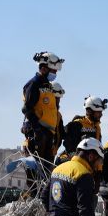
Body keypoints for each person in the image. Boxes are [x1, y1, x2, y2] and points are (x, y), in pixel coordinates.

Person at [21, 51, 64, 191]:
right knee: (35, 175)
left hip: (47, 133)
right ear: (44, 67)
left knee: (46, 174)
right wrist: (37, 129)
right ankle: (34, 201)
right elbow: (27, 109)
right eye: (53, 70)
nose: (55, 73)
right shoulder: (34, 84)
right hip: (37, 132)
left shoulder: (49, 86)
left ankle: (44, 206)